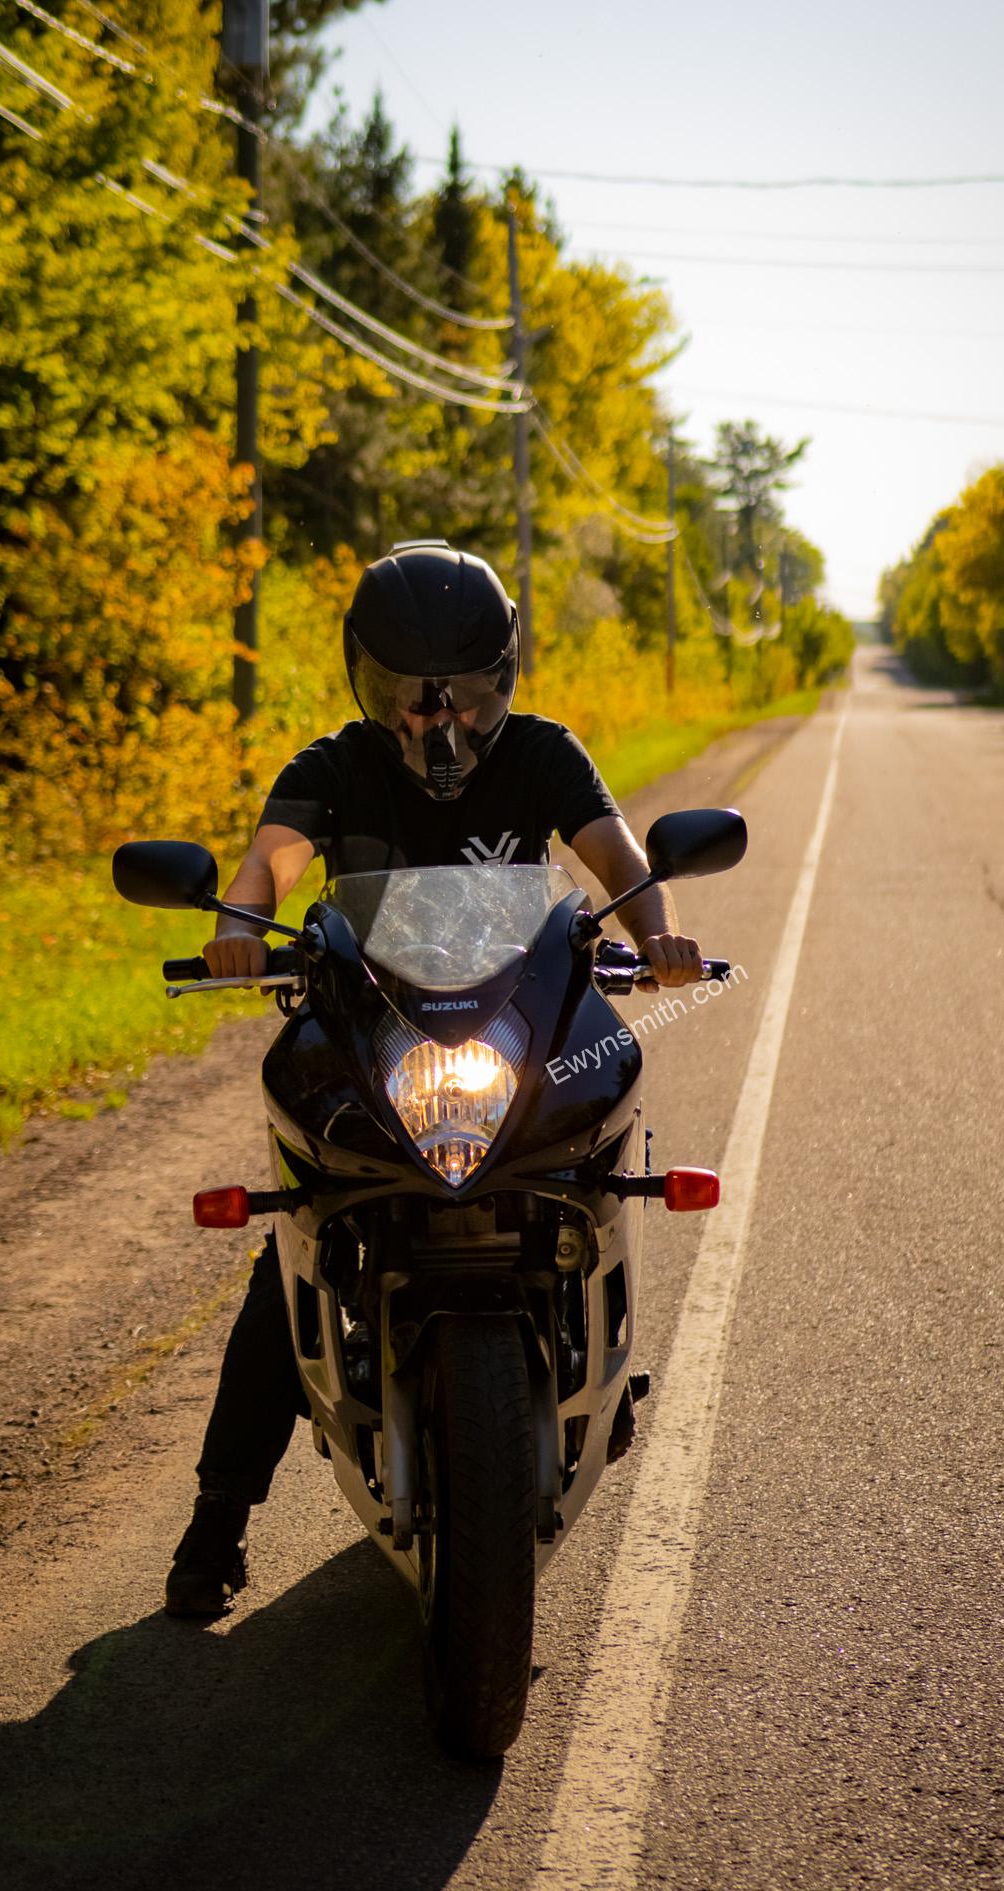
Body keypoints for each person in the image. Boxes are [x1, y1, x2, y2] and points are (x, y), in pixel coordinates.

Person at [165, 541, 704, 1617]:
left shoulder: (545, 753)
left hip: (513, 1031)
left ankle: (606, 1367)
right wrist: (237, 922)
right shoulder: (333, 765)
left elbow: (620, 857)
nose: (436, 718)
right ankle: (219, 1514)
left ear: (501, 676)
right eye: (408, 697)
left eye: (460, 691)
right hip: (381, 1034)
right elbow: (272, 856)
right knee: (300, 1234)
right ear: (370, 684)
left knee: (601, 1136)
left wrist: (661, 933)